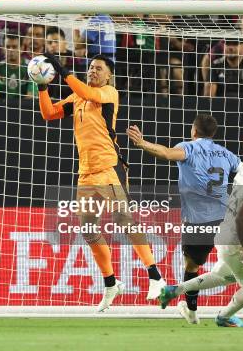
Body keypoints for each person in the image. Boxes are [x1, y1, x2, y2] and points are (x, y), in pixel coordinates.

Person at [38, 53, 166, 312]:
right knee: (88, 230)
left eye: (98, 69)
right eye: (91, 68)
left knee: (124, 220)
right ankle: (110, 283)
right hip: (86, 172)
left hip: (109, 167)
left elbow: (90, 94)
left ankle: (156, 277)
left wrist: (63, 71)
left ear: (109, 75)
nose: (93, 72)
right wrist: (42, 86)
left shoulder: (108, 93)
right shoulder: (77, 98)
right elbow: (49, 113)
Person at [127, 115, 243, 323]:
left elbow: (167, 154)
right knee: (238, 262)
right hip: (226, 219)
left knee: (192, 267)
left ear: (194, 131)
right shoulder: (226, 154)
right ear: (213, 133)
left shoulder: (189, 148)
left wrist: (142, 143)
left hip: (198, 222)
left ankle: (192, 313)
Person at [159, 132, 243, 328]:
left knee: (222, 276)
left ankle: (174, 290)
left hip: (224, 235)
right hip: (237, 242)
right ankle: (224, 317)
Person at [0, 34, 34, 99]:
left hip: (24, 107)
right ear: (3, 49)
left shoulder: (32, 68)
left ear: (22, 48)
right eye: (7, 47)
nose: (11, 50)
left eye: (14, 47)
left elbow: (31, 97)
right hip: (2, 106)